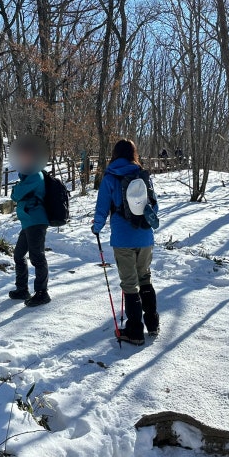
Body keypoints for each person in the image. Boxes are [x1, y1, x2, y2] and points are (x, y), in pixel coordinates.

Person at [92, 139, 159, 346]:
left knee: (130, 284)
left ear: (115, 154)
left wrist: (96, 228)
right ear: (133, 154)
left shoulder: (110, 177)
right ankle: (153, 323)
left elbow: (102, 208)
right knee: (145, 278)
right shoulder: (143, 176)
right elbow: (154, 207)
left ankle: (135, 332)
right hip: (145, 236)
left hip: (122, 238)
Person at [9, 137, 51, 307]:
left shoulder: (35, 175)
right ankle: (22, 289)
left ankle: (42, 293)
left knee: (37, 257)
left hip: (36, 222)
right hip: (28, 222)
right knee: (19, 255)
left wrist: (16, 190)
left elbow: (15, 195)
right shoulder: (27, 177)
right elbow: (16, 193)